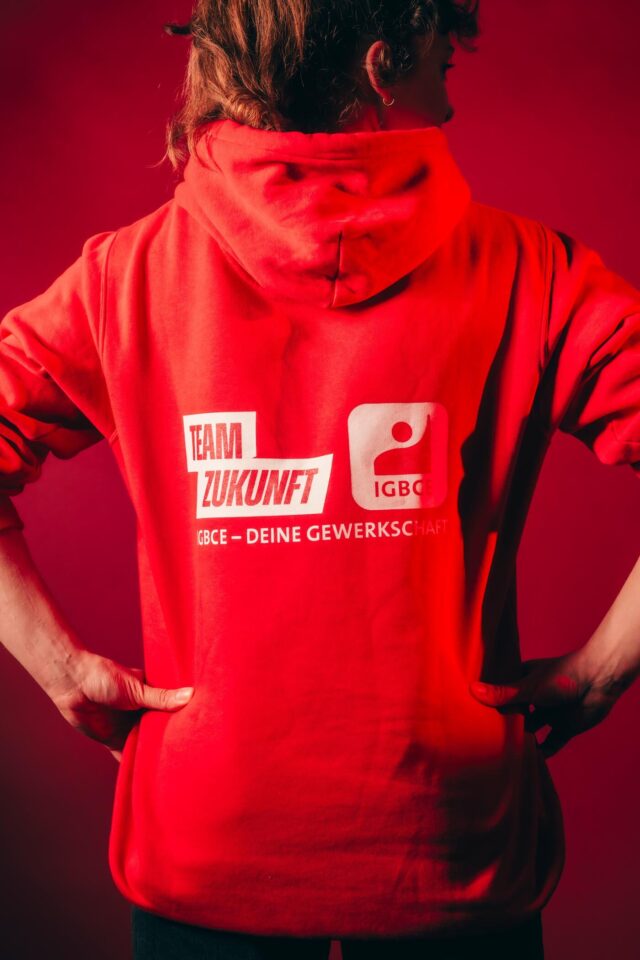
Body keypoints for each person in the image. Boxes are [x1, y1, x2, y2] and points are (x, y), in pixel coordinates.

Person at [1, 0, 639, 958]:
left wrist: (62, 670)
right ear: (383, 65)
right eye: (443, 67)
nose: (450, 106)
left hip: (209, 843)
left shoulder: (124, 279)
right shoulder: (531, 271)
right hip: (452, 842)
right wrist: (597, 678)